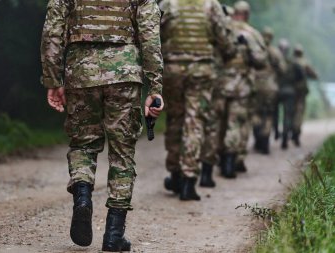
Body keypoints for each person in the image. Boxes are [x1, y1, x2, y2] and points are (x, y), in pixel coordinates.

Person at [40, 0, 164, 251]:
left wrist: (53, 79)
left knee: (83, 143)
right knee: (122, 153)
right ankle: (113, 235)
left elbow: (52, 30)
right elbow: (150, 35)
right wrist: (155, 87)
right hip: (125, 73)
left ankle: (83, 196)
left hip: (81, 72)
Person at [160, 0, 236, 200]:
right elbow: (226, 41)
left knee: (175, 119)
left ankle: (174, 174)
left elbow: (152, 32)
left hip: (172, 71)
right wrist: (228, 53)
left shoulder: (168, 3)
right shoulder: (211, 5)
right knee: (195, 122)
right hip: (201, 71)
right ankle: (188, 181)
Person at [216, 0, 267, 178]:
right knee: (235, 123)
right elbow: (261, 61)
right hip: (241, 87)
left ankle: (217, 158)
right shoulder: (252, 34)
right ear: (247, 14)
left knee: (218, 124)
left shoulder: (222, 29)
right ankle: (230, 162)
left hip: (218, 85)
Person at [252, 27, 286, 154]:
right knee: (269, 114)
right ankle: (265, 139)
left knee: (255, 113)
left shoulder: (255, 50)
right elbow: (283, 70)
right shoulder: (275, 52)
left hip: (255, 86)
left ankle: (257, 135)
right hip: (270, 88)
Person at [277, 39, 302, 149]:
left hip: (277, 91)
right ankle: (285, 138)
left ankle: (275, 132)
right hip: (290, 92)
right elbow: (300, 76)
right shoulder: (293, 63)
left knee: (272, 113)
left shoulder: (275, 61)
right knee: (288, 116)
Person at [292, 44, 319, 146]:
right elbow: (314, 75)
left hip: (290, 91)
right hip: (301, 91)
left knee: (290, 112)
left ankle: (289, 130)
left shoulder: (290, 62)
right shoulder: (305, 63)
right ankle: (296, 131)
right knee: (299, 111)